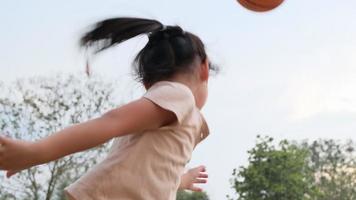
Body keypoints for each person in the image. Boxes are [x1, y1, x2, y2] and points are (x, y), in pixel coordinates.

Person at [0, 17, 218, 200]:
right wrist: (35, 152)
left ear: (146, 83)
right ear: (204, 69)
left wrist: (182, 179)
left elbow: (148, 176)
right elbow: (110, 122)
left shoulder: (176, 116)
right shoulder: (179, 95)